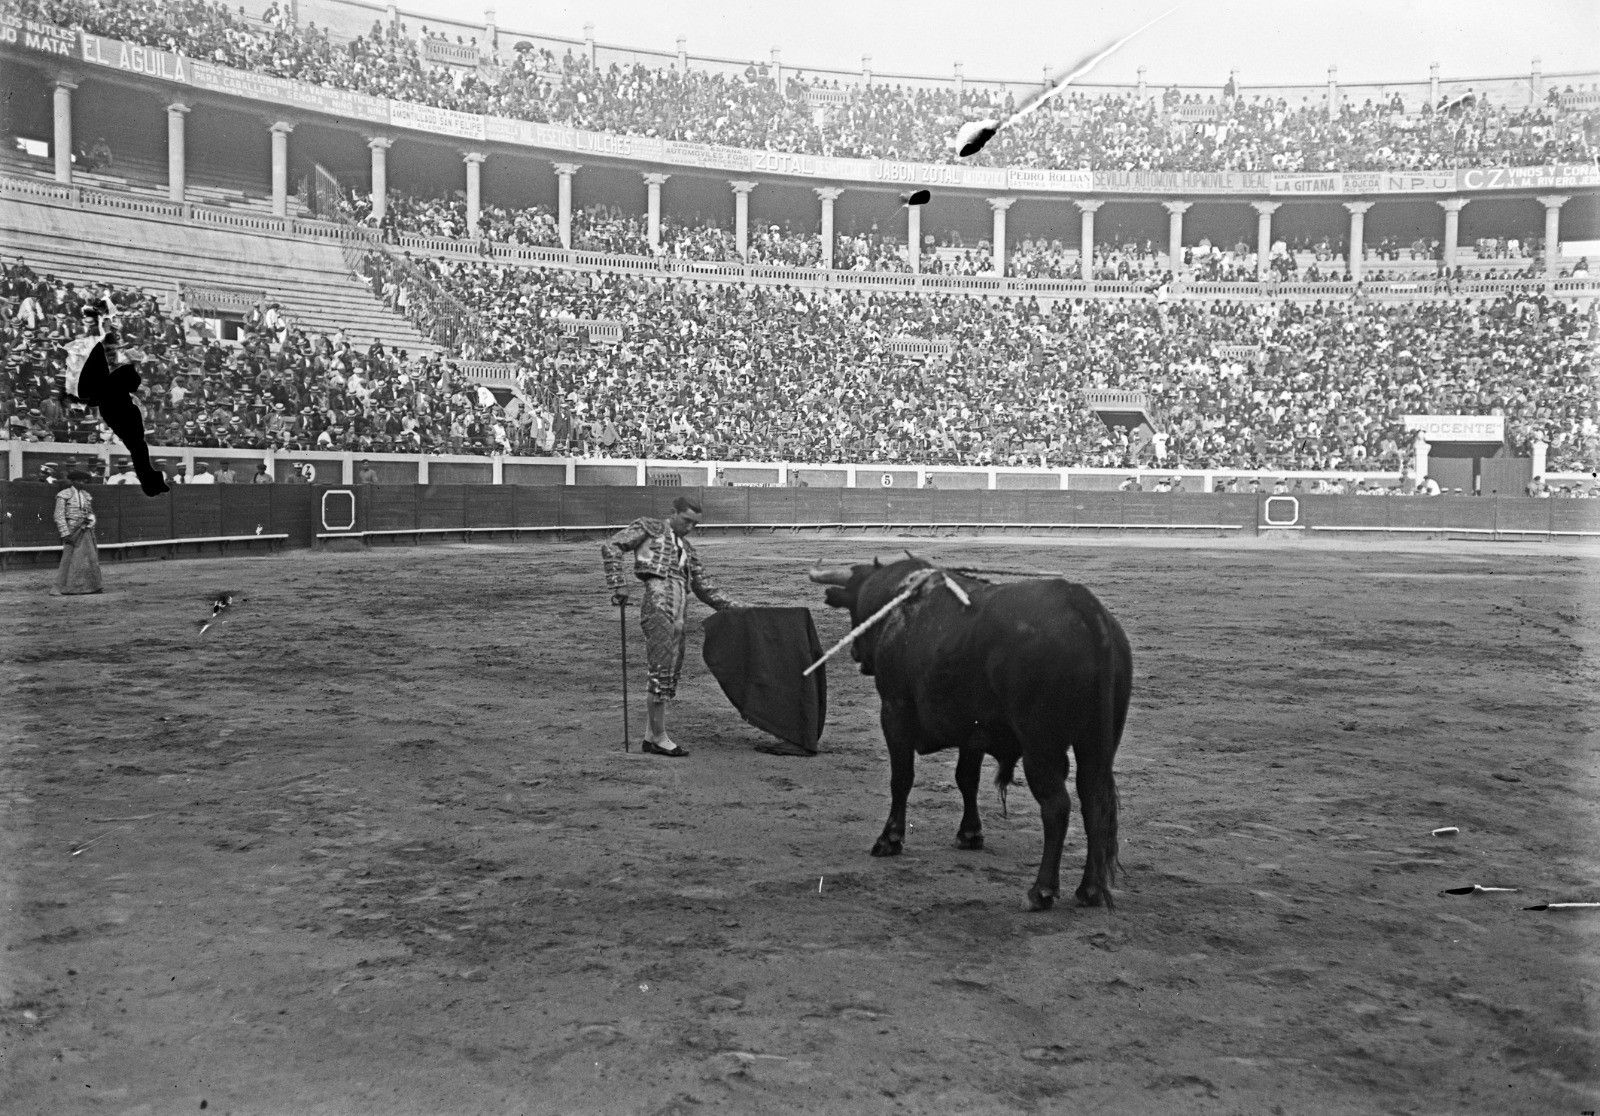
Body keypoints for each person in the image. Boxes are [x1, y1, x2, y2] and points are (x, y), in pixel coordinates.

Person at [601, 496, 742, 757]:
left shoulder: (687, 548)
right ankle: (659, 737)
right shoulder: (650, 527)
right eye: (686, 520)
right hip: (657, 601)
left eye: (694, 524)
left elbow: (704, 588)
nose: (690, 527)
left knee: (672, 666)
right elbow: (612, 545)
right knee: (661, 667)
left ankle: (650, 735)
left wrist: (736, 608)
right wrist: (618, 584)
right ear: (673, 513)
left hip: (679, 607)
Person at [52, 470, 101, 595]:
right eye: (78, 480)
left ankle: (92, 587)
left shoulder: (86, 495)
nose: (81, 483)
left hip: (85, 529)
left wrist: (91, 522)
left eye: (83, 481)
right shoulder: (64, 494)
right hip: (72, 531)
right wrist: (65, 533)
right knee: (69, 559)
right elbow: (59, 516)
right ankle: (65, 587)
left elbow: (90, 513)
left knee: (90, 558)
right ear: (72, 481)